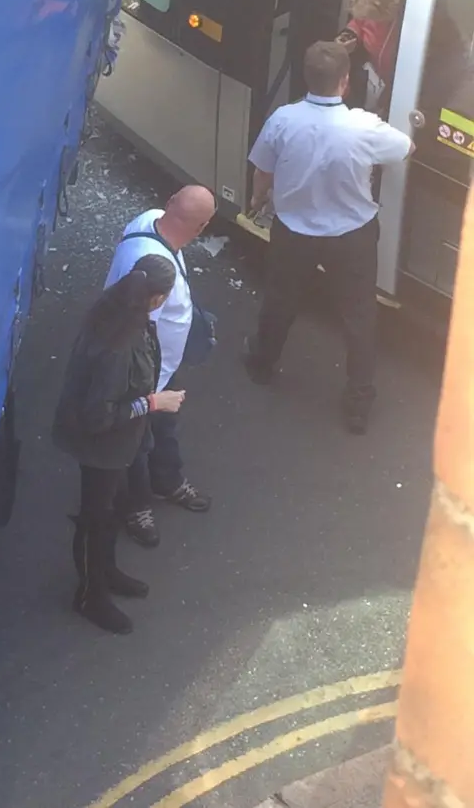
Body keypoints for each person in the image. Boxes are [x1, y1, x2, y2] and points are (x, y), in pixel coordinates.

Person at [244, 41, 414, 434]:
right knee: (359, 317)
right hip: (352, 235)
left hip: (294, 232)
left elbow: (263, 174)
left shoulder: (283, 120)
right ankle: (358, 402)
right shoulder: (363, 126)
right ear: (346, 82)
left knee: (280, 301)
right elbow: (407, 148)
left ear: (306, 77)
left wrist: (257, 200)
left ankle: (263, 364)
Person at [53, 254, 183, 634]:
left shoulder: (122, 314)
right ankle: (90, 597)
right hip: (102, 446)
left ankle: (106, 573)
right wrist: (154, 403)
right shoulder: (119, 343)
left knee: (108, 512)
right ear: (157, 297)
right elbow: (99, 415)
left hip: (120, 443)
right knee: (96, 517)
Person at [105, 186, 217, 547]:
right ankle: (136, 506)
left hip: (162, 367)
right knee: (136, 442)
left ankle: (166, 480)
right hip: (144, 372)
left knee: (163, 429)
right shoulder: (154, 265)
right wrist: (145, 387)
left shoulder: (150, 222)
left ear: (170, 203)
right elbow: (134, 326)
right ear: (202, 229)